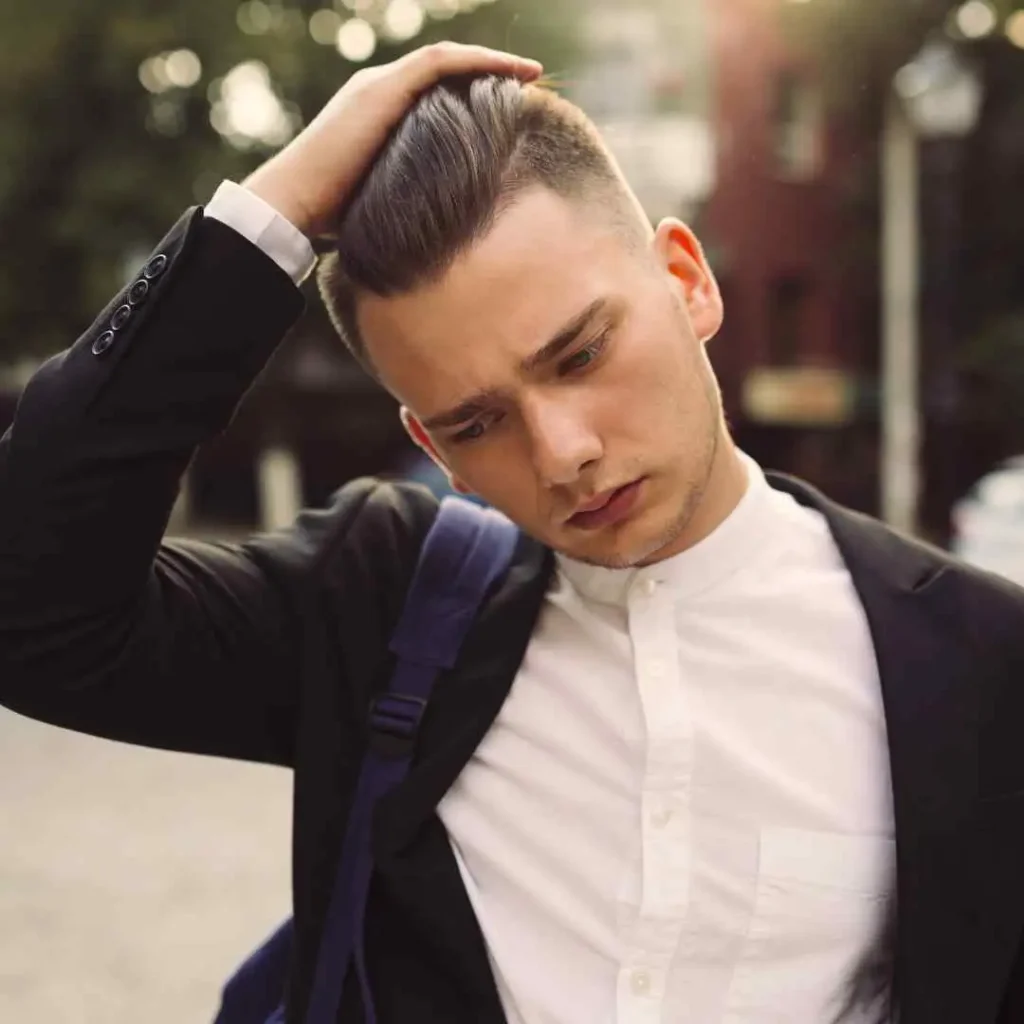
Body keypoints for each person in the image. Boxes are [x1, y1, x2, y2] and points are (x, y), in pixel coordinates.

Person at [0, 41, 1022, 1024]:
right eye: (476, 422)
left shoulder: (977, 662)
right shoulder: (384, 600)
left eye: (579, 354)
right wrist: (273, 214)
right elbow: (31, 601)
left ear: (687, 279)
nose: (563, 450)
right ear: (428, 444)